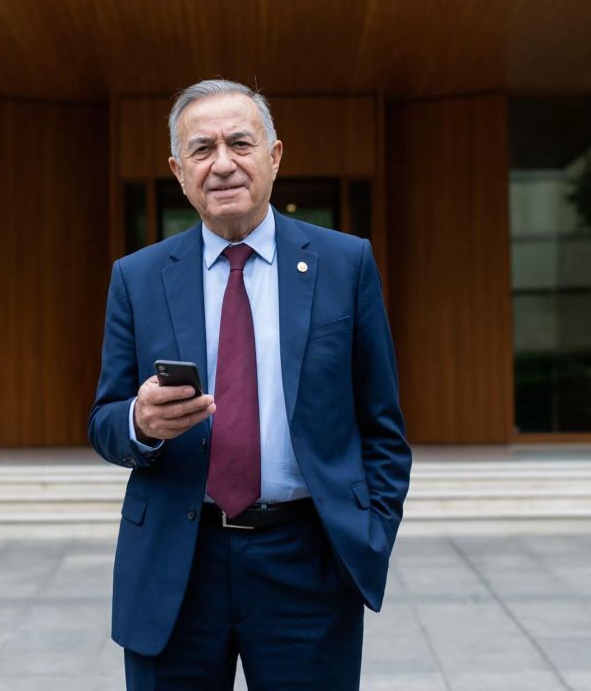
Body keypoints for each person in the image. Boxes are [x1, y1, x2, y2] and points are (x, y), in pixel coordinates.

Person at [88, 79, 411, 689]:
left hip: (306, 563)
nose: (223, 163)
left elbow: (383, 426)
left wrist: (369, 534)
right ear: (179, 171)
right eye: (202, 149)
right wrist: (139, 422)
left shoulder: (346, 265)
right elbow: (104, 420)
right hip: (176, 566)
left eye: (240, 142)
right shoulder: (138, 277)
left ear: (275, 156)